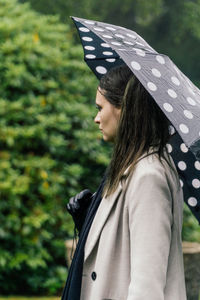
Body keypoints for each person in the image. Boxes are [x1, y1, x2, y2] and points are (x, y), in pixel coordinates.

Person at [62, 64, 187, 300]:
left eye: (100, 108)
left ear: (124, 110)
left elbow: (146, 286)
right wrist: (88, 219)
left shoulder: (148, 176)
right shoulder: (132, 167)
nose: (96, 118)